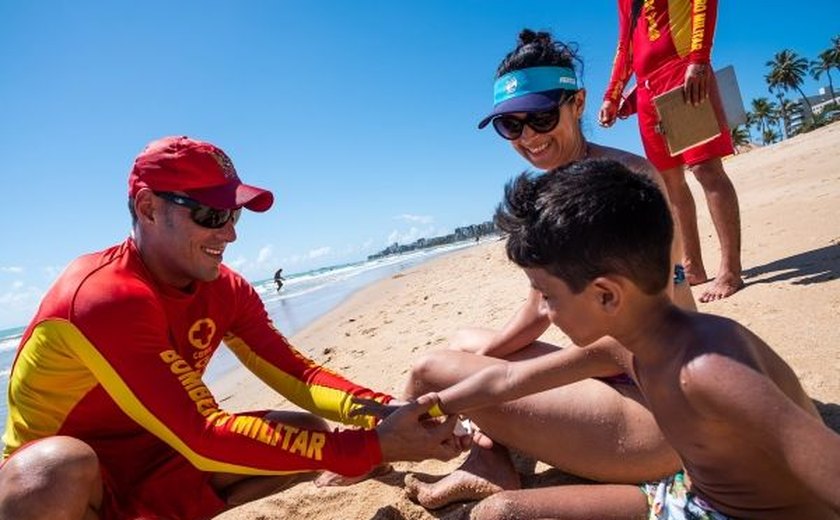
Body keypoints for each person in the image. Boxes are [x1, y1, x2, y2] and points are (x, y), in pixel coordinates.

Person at [0, 136, 462, 520]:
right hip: (80, 491)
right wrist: (374, 446)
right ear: (147, 207)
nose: (230, 233)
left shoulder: (226, 289)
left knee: (303, 428)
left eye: (233, 214)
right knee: (53, 469)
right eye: (211, 215)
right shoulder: (103, 295)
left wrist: (392, 415)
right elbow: (202, 434)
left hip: (160, 463)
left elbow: (300, 376)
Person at [419, 159, 840, 519]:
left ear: (606, 294)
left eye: (547, 296)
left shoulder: (710, 369)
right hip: (684, 494)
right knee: (500, 511)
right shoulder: (627, 341)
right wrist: (430, 408)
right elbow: (506, 381)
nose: (544, 311)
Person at [400, 29, 693, 511]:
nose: (529, 137)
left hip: (658, 414)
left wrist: (481, 383)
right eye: (510, 126)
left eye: (541, 116)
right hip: (629, 379)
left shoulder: (620, 188)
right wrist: (483, 364)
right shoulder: (565, 188)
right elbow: (540, 307)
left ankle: (379, 453)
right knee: (465, 344)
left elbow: (644, 328)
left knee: (432, 370)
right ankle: (489, 461)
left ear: (577, 103)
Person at [599, 0, 744, 303]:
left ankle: (730, 270)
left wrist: (699, 58)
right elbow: (624, 44)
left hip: (683, 72)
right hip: (647, 88)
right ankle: (693, 267)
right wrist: (613, 95)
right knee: (669, 182)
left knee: (706, 169)